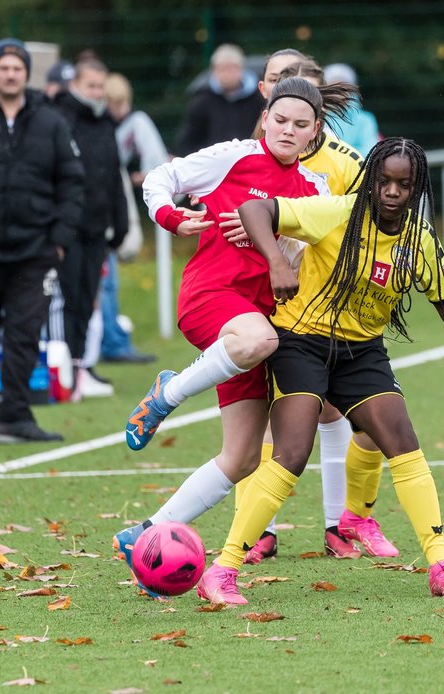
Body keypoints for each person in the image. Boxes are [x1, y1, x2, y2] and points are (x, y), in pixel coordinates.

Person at [194, 137, 444, 604]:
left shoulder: (418, 237)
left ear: (417, 189)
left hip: (362, 351)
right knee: (291, 453)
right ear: (371, 181)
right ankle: (224, 569)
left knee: (402, 440)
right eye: (384, 181)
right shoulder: (336, 212)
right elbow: (258, 211)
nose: (392, 191)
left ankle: (440, 566)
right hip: (301, 342)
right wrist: (276, 262)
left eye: (404, 184)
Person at [112, 76, 351, 595]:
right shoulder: (232, 157)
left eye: (301, 125)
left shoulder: (317, 189)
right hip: (214, 300)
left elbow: (320, 256)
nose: (288, 130)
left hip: (259, 325)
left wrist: (275, 238)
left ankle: (144, 531)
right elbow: (160, 178)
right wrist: (173, 218)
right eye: (280, 119)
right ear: (264, 117)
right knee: (257, 341)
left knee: (243, 457)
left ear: (315, 135)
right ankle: (166, 393)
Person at [236, 52, 397, 565]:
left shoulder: (346, 161)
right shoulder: (247, 151)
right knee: (265, 414)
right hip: (260, 296)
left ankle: (341, 524)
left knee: (348, 414)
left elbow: (373, 218)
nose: (289, 92)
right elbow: (220, 199)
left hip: (329, 305)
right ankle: (259, 532)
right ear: (266, 92)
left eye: (301, 83)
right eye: (279, 81)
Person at [0, 39, 84, 444]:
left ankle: (14, 415)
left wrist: (60, 240)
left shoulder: (50, 121)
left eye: (18, 67)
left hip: (36, 250)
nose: (11, 74)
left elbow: (72, 181)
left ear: (26, 74)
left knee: (24, 333)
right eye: (4, 67)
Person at [52, 57, 128, 399]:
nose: (96, 93)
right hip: (66, 232)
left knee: (86, 300)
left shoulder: (104, 123)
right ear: (75, 85)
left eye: (100, 87)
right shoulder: (59, 120)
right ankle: (62, 369)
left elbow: (114, 177)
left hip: (97, 230)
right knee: (64, 302)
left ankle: (80, 367)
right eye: (90, 86)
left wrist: (121, 222)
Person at [98, 72, 168, 365]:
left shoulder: (129, 123)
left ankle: (111, 338)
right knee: (104, 279)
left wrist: (143, 175)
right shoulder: (101, 127)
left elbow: (154, 157)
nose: (122, 109)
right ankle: (110, 343)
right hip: (100, 208)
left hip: (112, 202)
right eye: (117, 103)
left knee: (108, 278)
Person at [173, 44, 266, 155]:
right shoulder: (202, 101)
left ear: (242, 69)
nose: (227, 74)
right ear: (214, 71)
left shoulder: (258, 99)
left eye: (232, 68)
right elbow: (186, 142)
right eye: (222, 69)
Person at [323, 62, 380, 156]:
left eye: (343, 87)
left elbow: (370, 151)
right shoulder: (316, 116)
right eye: (332, 86)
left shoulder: (365, 120)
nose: (337, 91)